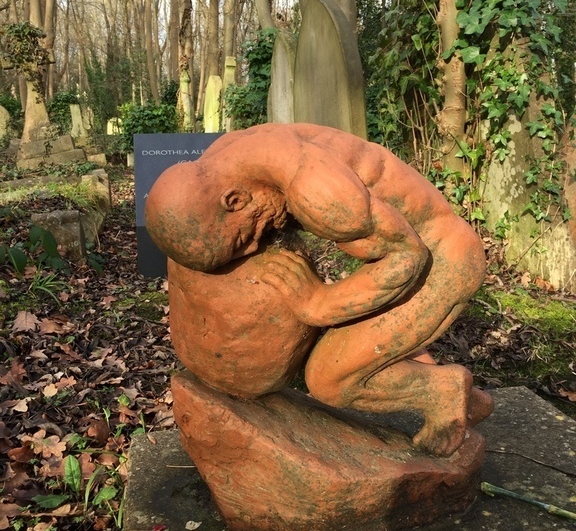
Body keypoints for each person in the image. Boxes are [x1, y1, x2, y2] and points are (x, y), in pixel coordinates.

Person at [145, 123, 493, 456]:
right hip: (408, 250)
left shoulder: (321, 193)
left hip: (442, 261)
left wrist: (318, 301)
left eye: (240, 241)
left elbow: (408, 259)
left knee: (330, 379)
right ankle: (464, 399)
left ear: (235, 201)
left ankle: (442, 394)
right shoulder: (227, 160)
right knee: (358, 343)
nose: (251, 250)